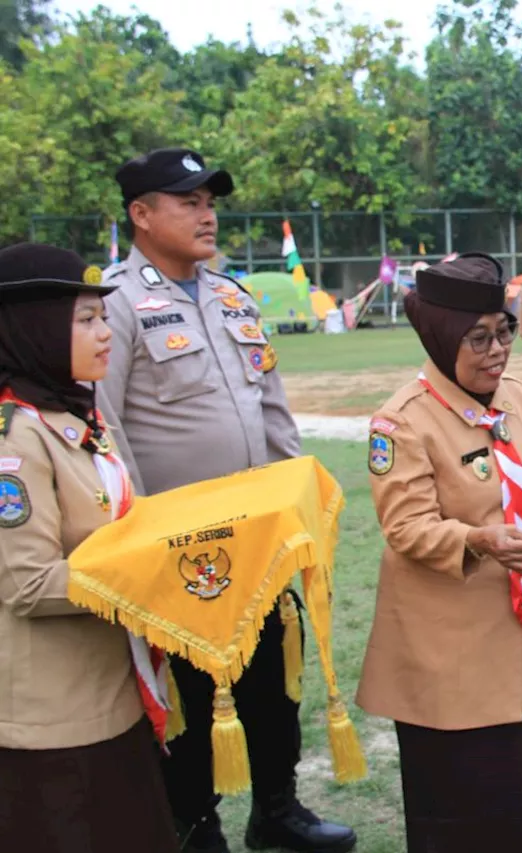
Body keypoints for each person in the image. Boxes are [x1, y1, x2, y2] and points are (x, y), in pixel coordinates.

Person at [96, 147, 356, 853]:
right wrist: (138, 535)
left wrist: (294, 503)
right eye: (188, 202)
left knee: (274, 677)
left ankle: (277, 806)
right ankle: (193, 819)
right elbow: (108, 427)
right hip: (177, 549)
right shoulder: (115, 305)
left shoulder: (233, 297)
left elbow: (272, 408)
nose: (207, 214)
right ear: (141, 214)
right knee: (187, 689)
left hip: (259, 538)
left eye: (210, 201)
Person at [357, 253, 522, 853]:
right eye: (477, 338)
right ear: (440, 336)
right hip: (444, 647)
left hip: (513, 633)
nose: (497, 350)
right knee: (458, 800)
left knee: (519, 795)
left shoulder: (516, 397)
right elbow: (405, 527)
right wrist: (479, 540)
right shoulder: (402, 422)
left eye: (504, 332)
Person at [0, 243, 179, 853]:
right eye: (86, 319)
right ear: (35, 328)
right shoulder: (16, 439)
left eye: (103, 317)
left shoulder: (72, 413)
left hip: (114, 690)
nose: (106, 333)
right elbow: (28, 585)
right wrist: (152, 575)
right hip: (57, 721)